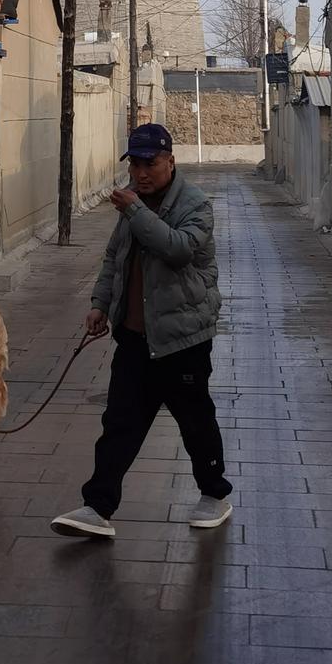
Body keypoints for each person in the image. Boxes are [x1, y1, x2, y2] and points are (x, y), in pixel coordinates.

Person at [51, 123, 232, 539]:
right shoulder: (135, 203)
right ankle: (97, 506)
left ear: (170, 160)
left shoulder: (194, 204)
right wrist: (100, 305)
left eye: (150, 163)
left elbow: (178, 249)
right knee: (120, 422)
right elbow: (115, 258)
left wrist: (135, 210)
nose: (141, 172)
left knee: (195, 422)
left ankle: (214, 494)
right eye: (134, 163)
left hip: (182, 338)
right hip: (135, 337)